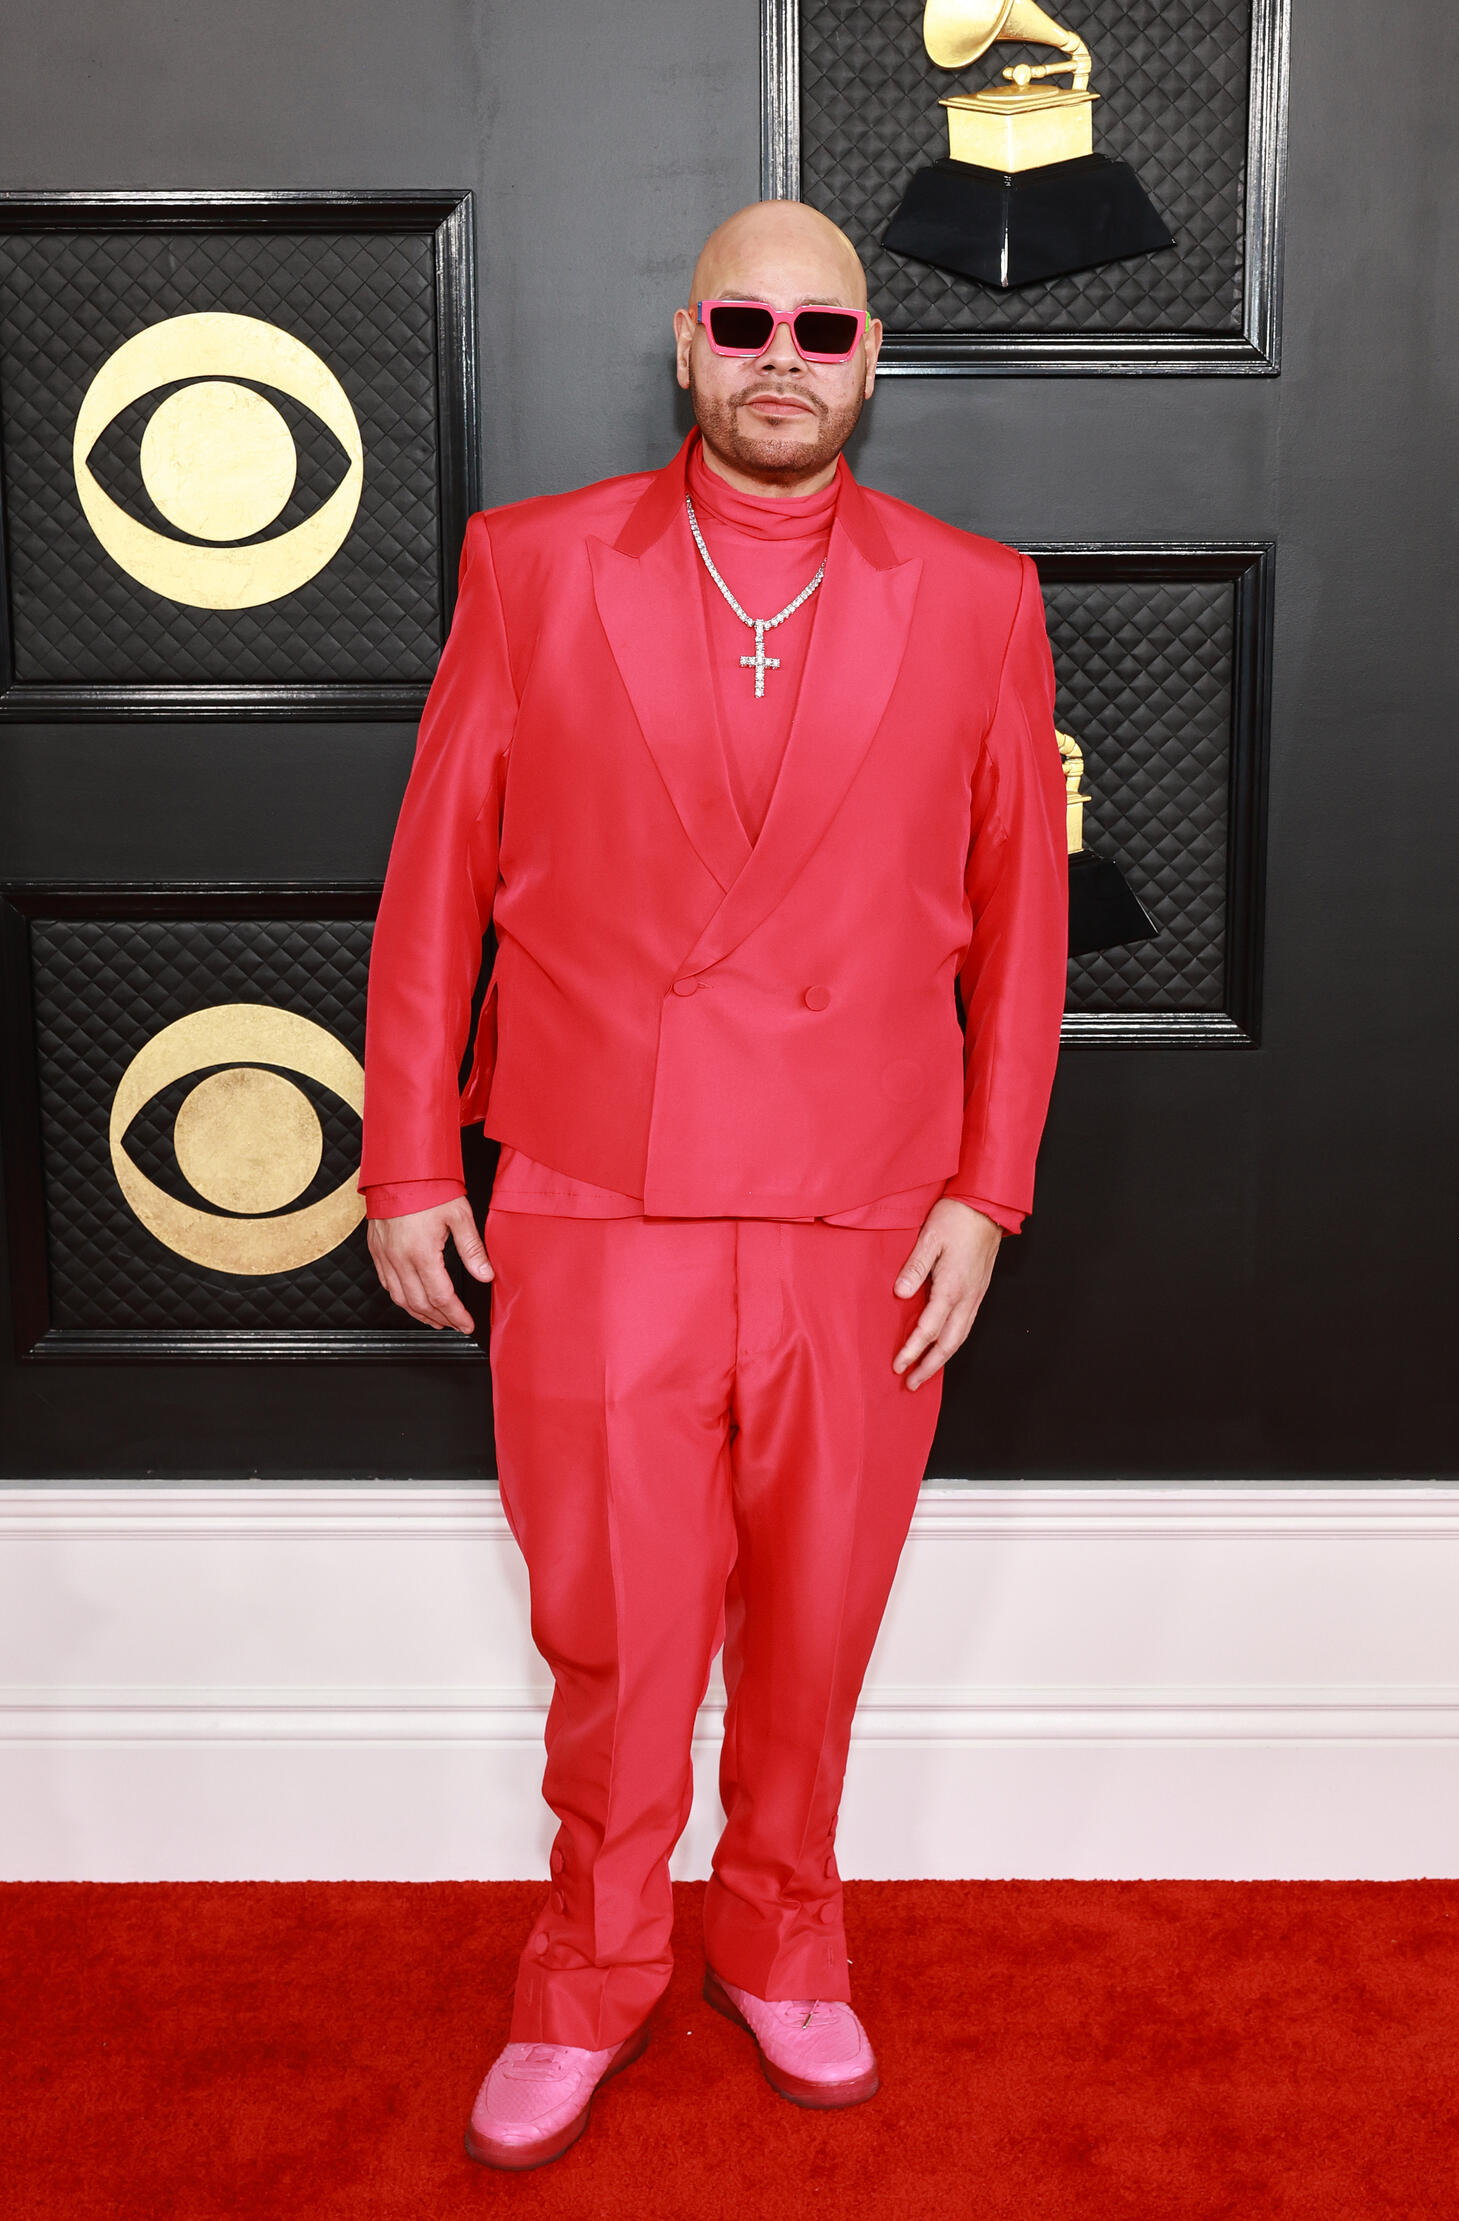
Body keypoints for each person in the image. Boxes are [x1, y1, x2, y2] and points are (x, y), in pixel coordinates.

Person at [359, 198, 1068, 2170]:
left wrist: (982, 1187)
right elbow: (432, 883)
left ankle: (781, 1939)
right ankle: (586, 1973)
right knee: (612, 1626)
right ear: (684, 344)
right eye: (742, 321)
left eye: (818, 328)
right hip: (592, 1190)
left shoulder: (974, 595)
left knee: (816, 1617)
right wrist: (410, 1149)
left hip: (864, 1207)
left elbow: (1021, 933)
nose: (780, 355)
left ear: (866, 360)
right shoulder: (532, 569)